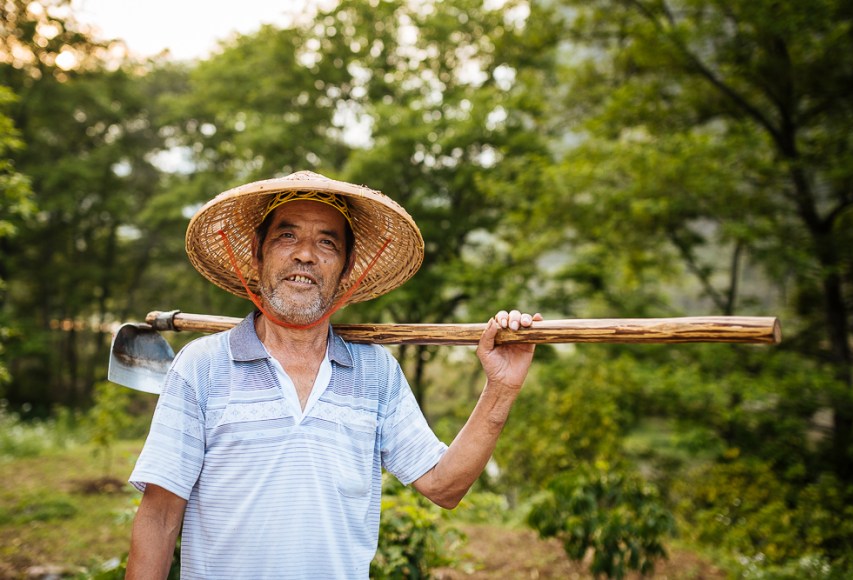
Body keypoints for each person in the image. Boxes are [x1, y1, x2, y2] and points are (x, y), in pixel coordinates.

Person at [125, 170, 542, 579]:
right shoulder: (201, 366)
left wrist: (502, 387)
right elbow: (160, 518)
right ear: (257, 253)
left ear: (346, 270)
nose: (305, 254)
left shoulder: (376, 373)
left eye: (327, 242)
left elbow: (443, 486)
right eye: (287, 236)